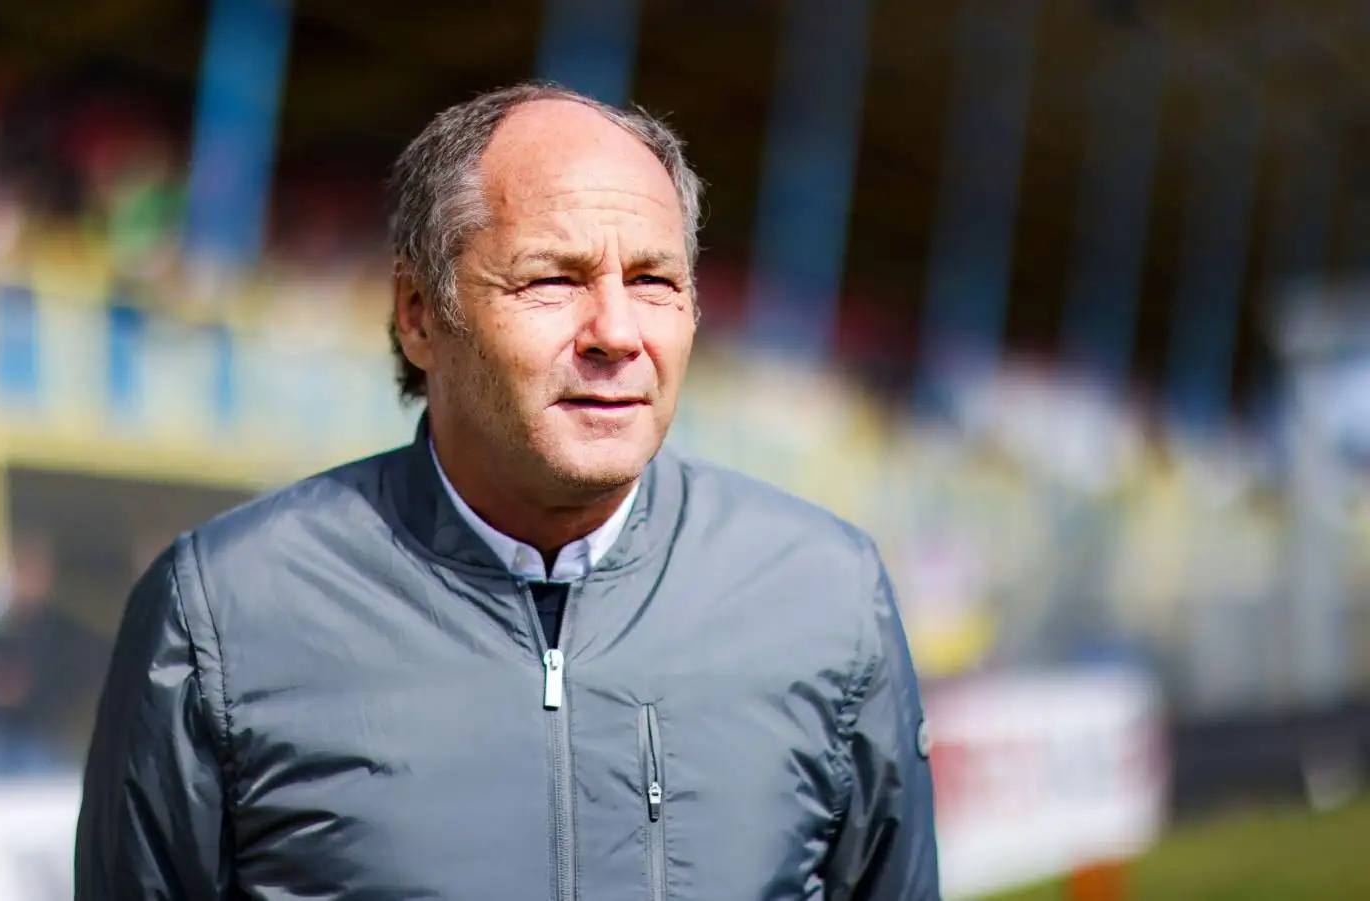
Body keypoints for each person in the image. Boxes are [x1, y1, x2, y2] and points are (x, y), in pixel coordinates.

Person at [75, 82, 939, 900]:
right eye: (551, 279)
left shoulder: (828, 596)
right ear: (419, 314)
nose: (616, 331)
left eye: (654, 281)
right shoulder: (221, 611)